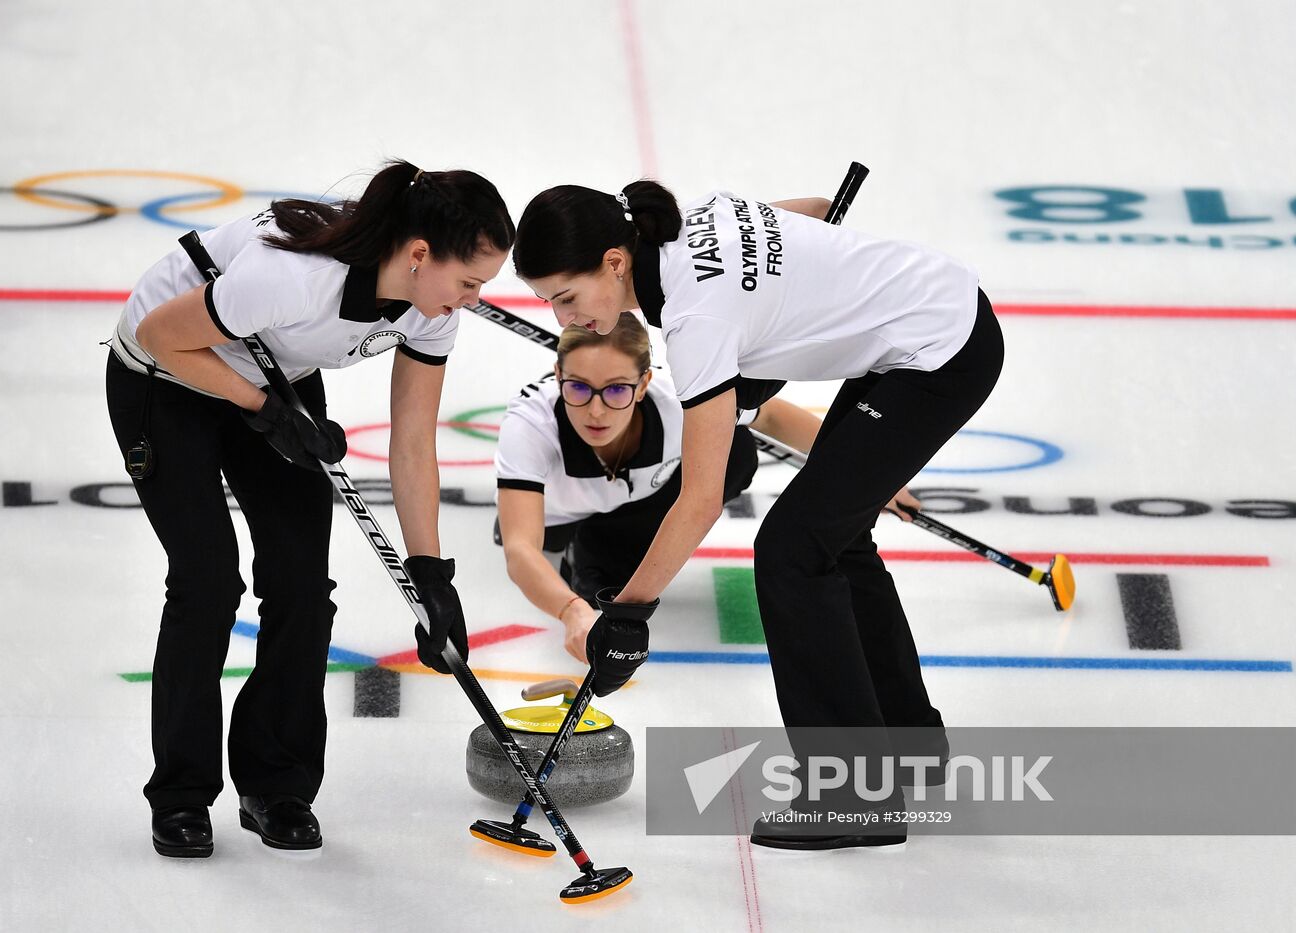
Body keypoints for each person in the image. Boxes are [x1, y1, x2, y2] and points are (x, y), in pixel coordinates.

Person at [511, 181, 1002, 849]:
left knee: (793, 548)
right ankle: (907, 740)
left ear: (616, 262)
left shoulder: (695, 320)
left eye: (566, 297)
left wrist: (628, 610)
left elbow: (702, 495)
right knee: (835, 536)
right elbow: (811, 213)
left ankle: (852, 795)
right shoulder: (694, 215)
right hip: (930, 317)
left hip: (941, 352)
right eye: (549, 303)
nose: (565, 318)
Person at [105, 160, 513, 859]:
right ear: (420, 255)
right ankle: (181, 792)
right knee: (207, 580)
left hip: (274, 381)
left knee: (301, 585)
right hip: (167, 378)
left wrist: (430, 574)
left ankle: (276, 783)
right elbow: (157, 334)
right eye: (469, 282)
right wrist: (263, 409)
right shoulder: (294, 278)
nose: (473, 300)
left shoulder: (429, 309)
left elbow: (412, 442)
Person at [494, 314, 825, 662]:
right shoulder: (531, 422)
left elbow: (770, 416)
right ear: (558, 374)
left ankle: (601, 548)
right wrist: (571, 610)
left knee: (735, 448)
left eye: (617, 389)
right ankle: (584, 549)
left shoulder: (677, 402)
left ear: (643, 384)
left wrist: (869, 474)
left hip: (635, 503)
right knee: (594, 595)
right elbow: (521, 548)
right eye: (578, 387)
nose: (596, 411)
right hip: (559, 514)